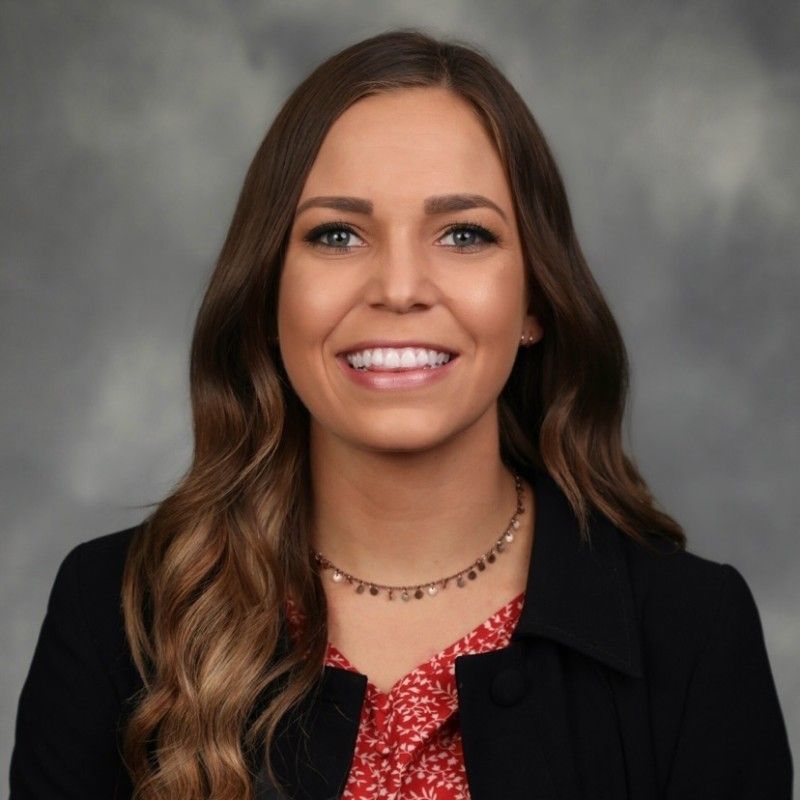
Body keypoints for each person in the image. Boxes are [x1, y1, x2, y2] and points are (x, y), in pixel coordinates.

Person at [9, 27, 793, 800]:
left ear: (535, 300)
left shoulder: (693, 630)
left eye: (463, 233)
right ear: (268, 297)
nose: (399, 286)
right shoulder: (118, 611)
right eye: (338, 234)